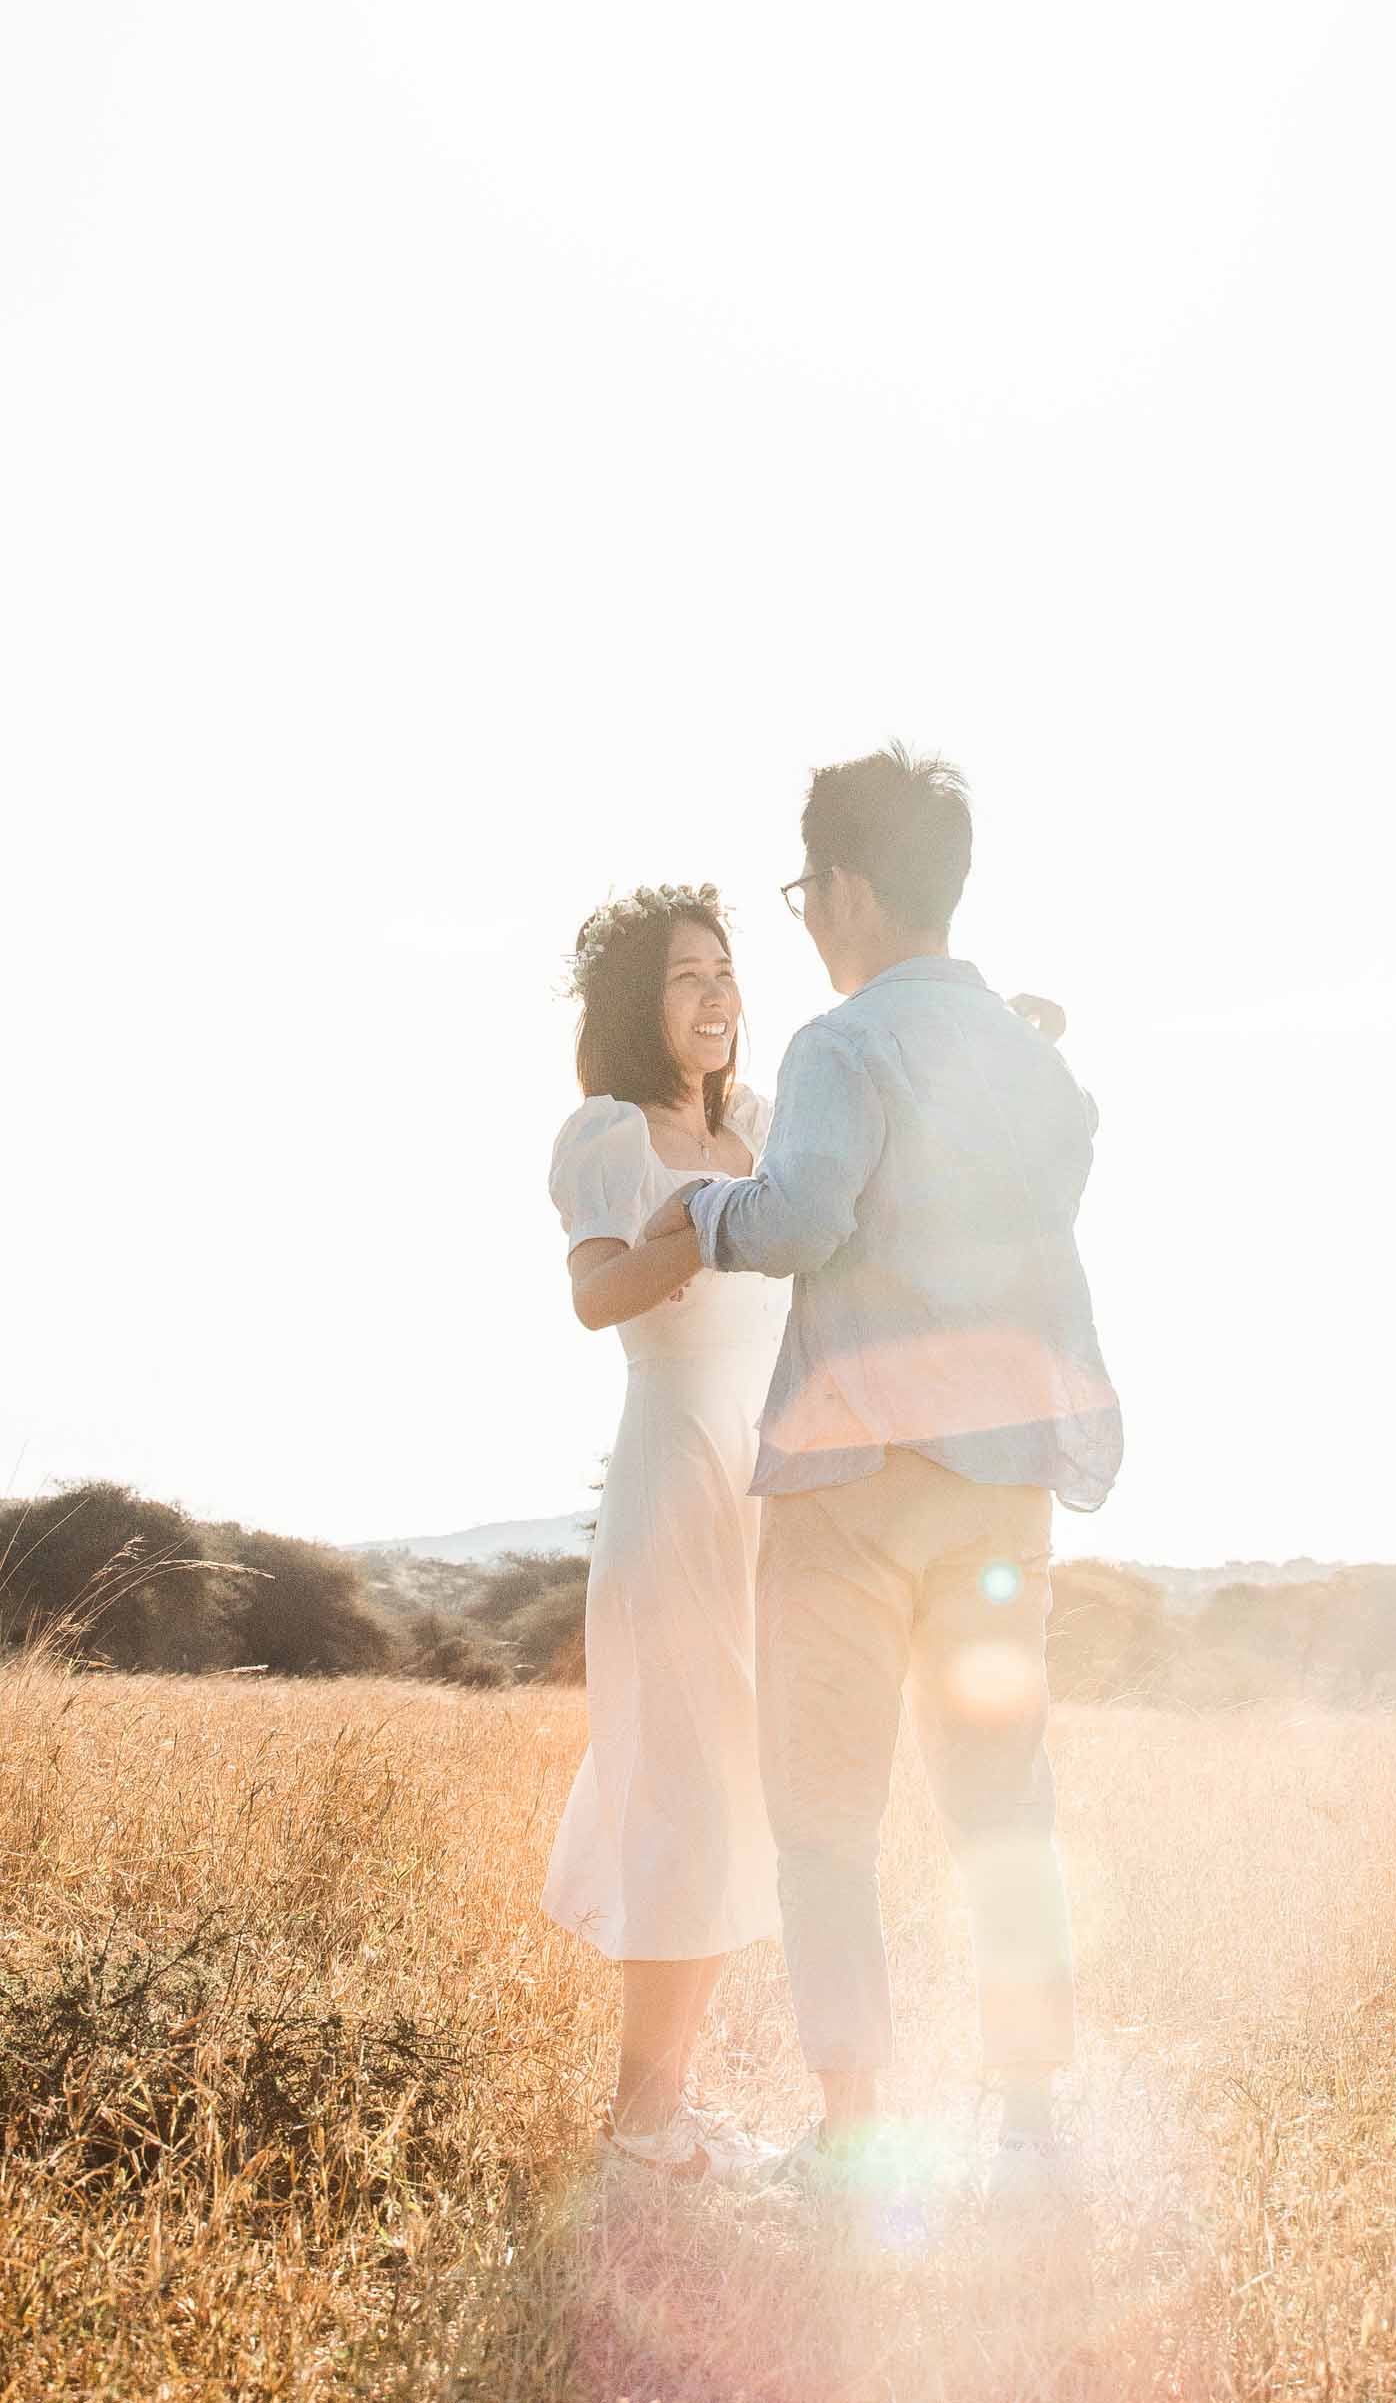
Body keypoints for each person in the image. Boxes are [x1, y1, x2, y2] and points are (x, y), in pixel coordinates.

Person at [641, 746, 1121, 2211]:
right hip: (1002, 1486)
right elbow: (1046, 1184)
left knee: (826, 1820)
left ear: (847, 886)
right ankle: (1027, 2118)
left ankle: (854, 2128)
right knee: (1002, 1805)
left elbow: (800, 1219)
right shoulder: (1037, 1064)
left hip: (851, 1482)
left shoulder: (842, 1046)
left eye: (804, 892)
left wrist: (705, 1207)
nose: (804, 921)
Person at [541, 882, 788, 2184]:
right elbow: (597, 1299)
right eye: (686, 975)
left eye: (724, 971)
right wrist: (695, 1232)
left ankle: (664, 2109)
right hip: (676, 1478)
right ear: (639, 1005)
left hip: (772, 1490)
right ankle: (644, 2123)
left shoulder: (765, 1127)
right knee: (684, 1793)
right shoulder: (611, 1135)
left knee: (737, 1791)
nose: (715, 996)